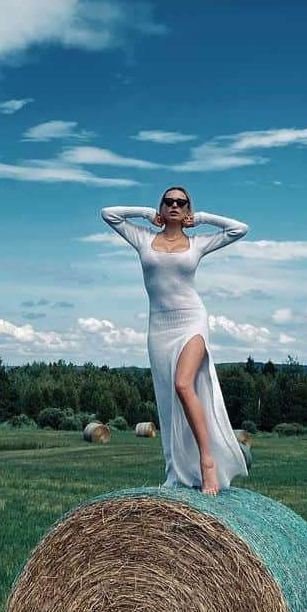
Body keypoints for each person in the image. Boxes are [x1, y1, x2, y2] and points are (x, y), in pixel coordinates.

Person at [100, 188, 250, 495]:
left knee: (184, 385)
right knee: (168, 399)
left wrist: (203, 218)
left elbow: (239, 229)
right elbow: (108, 213)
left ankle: (208, 463)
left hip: (192, 320)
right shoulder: (142, 238)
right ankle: (178, 468)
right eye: (168, 201)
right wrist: (144, 213)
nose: (174, 206)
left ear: (188, 211)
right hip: (159, 327)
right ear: (161, 207)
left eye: (181, 203)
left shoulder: (197, 244)